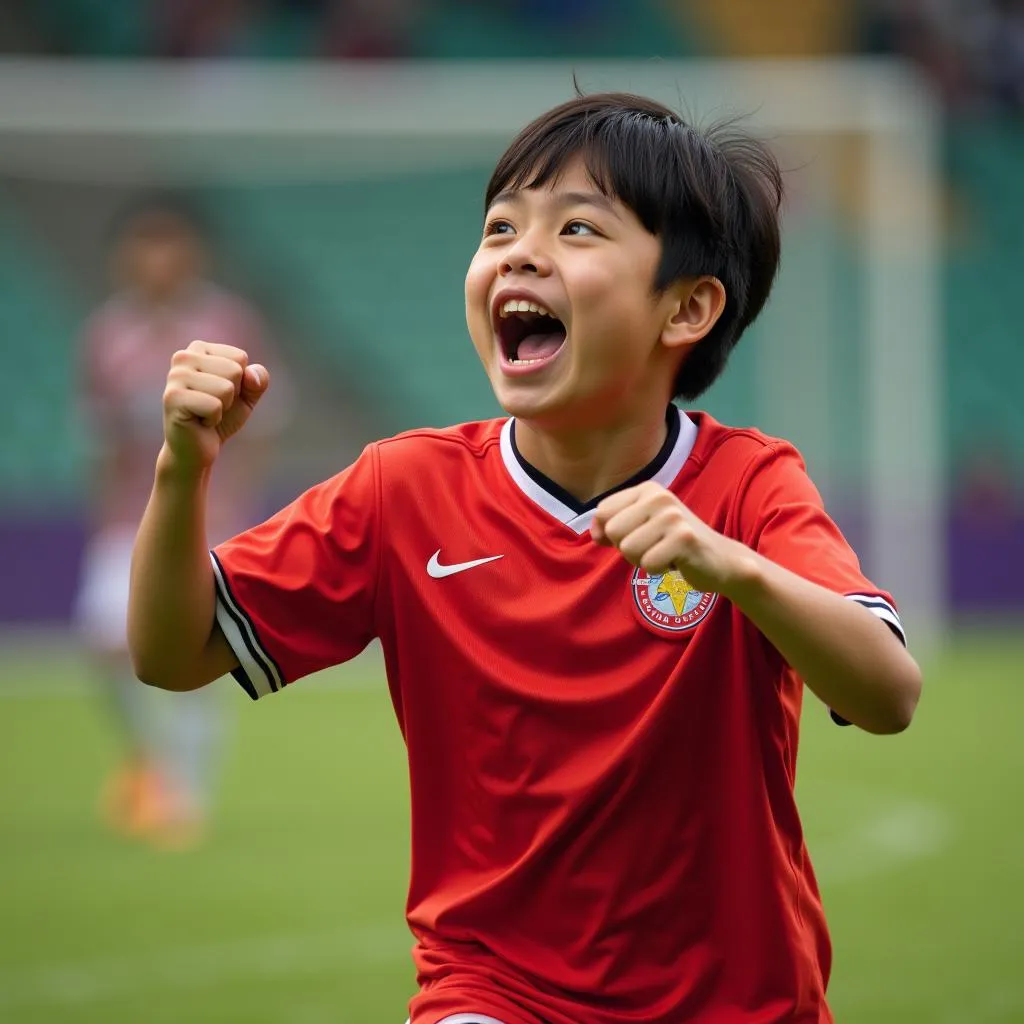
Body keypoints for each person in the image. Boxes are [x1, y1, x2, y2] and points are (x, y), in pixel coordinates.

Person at [127, 94, 922, 1021]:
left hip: (741, 1001)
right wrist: (184, 469)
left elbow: (887, 695)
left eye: (578, 228)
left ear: (689, 307)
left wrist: (733, 568)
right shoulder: (404, 488)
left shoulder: (749, 487)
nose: (520, 251)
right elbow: (172, 654)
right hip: (494, 990)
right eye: (501, 225)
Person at [76, 195, 286, 849]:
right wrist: (102, 518)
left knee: (199, 657)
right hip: (128, 521)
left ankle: (183, 798)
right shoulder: (107, 338)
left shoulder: (225, 323)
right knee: (106, 648)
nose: (157, 259)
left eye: (169, 244)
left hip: (205, 517)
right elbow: (101, 440)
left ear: (193, 253)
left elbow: (262, 429)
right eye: (145, 245)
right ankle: (154, 763)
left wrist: (235, 506)